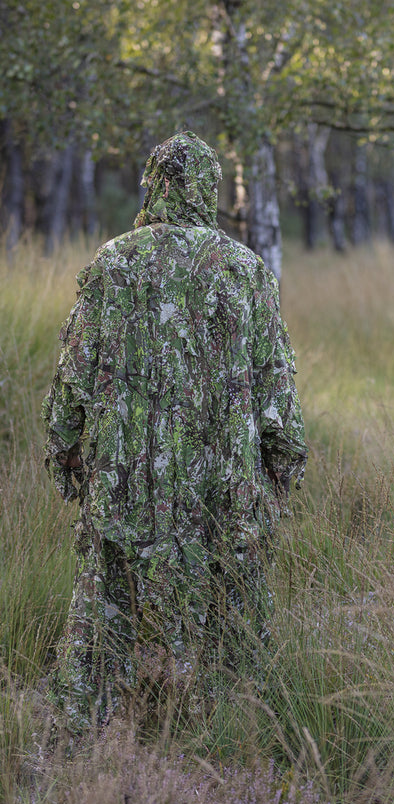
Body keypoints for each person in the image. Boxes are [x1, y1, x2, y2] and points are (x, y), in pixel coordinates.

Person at [42, 131, 307, 735]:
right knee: (230, 618)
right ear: (209, 190)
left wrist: (65, 456)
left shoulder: (113, 263)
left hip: (124, 484)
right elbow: (277, 388)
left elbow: (70, 379)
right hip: (224, 489)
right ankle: (230, 736)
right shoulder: (245, 271)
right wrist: (281, 471)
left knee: (109, 610)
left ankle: (91, 737)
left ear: (154, 184)